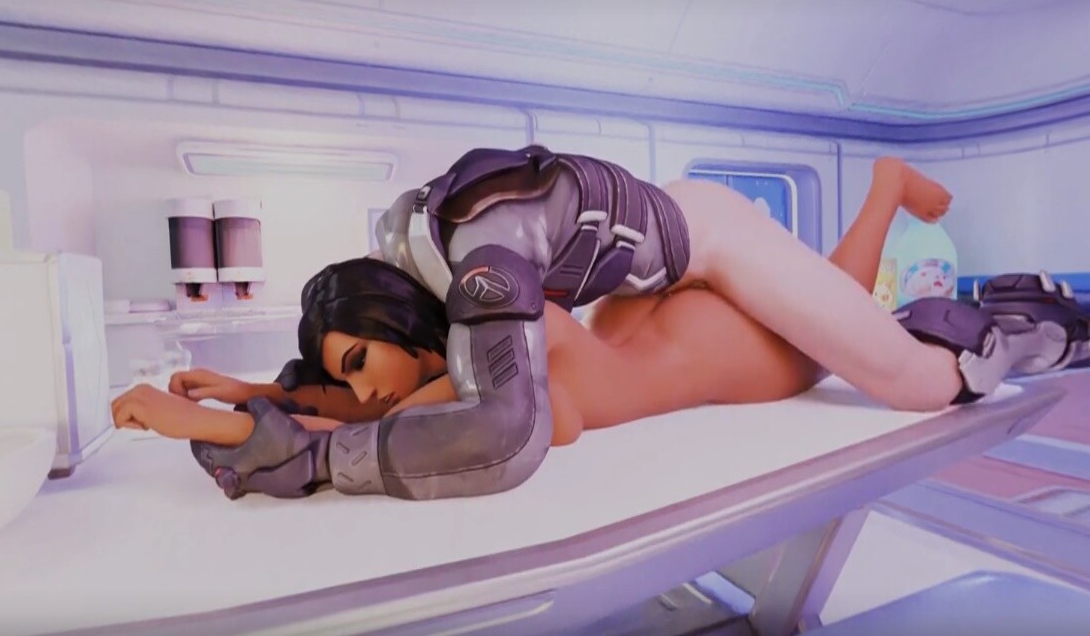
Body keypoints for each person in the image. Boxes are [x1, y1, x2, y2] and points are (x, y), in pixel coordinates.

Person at [113, 148, 1089, 501]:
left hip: (707, 262)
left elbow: (403, 428)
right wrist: (252, 391)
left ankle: (1032, 324)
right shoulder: (459, 354)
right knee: (837, 292)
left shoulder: (492, 357)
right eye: (346, 375)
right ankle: (883, 185)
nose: (362, 389)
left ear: (408, 328)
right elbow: (365, 408)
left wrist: (208, 420)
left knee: (918, 379)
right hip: (691, 298)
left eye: (361, 358)